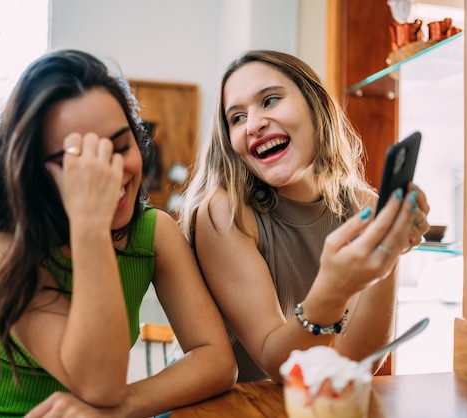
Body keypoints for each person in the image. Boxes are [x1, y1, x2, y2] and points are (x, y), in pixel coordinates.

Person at [0, 49, 236, 417]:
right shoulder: (1, 248)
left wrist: (128, 404)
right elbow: (99, 384)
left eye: (120, 146)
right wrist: (90, 223)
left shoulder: (154, 234)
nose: (108, 172)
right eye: (79, 160)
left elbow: (217, 360)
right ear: (34, 171)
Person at [176, 49, 431, 382]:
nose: (253, 124)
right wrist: (335, 287)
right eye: (237, 117)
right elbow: (280, 365)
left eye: (269, 101)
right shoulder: (225, 213)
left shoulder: (363, 206)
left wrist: (390, 250)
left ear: (316, 105)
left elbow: (351, 365)